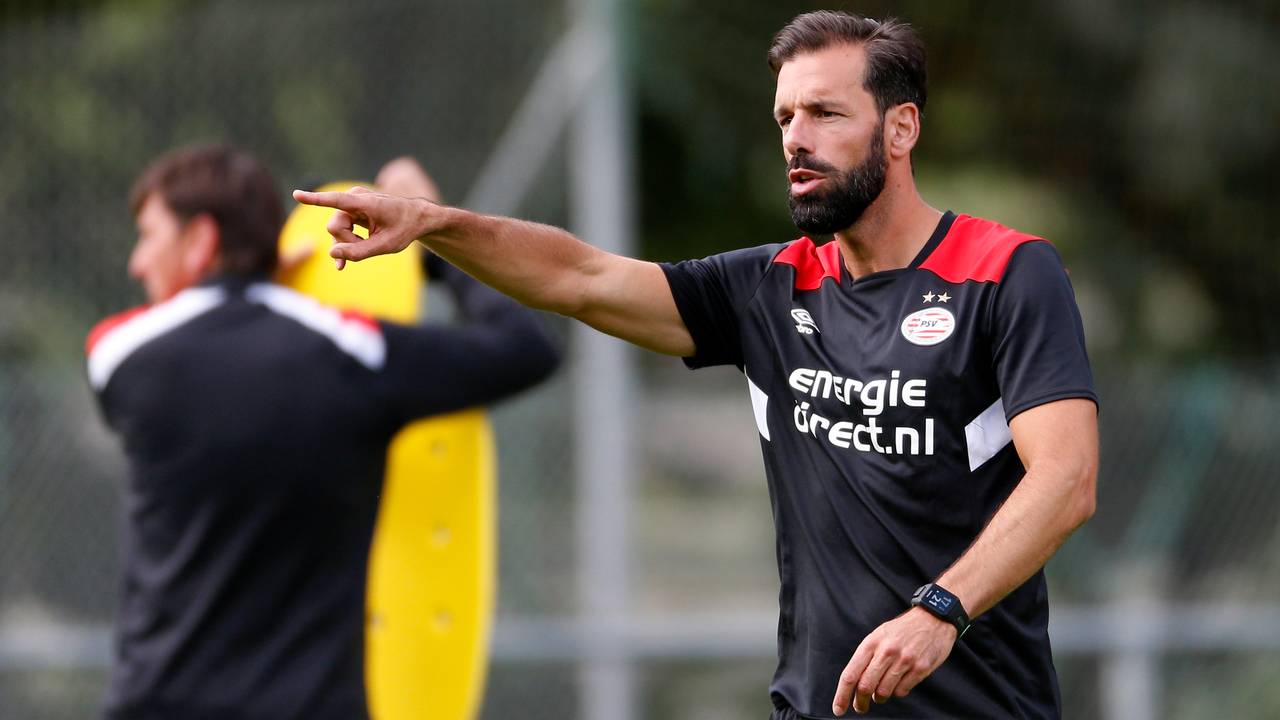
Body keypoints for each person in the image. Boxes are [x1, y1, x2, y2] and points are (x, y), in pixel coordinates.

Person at [296, 10, 1098, 719]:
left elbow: (1066, 479)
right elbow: (579, 277)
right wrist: (436, 224)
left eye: (825, 112)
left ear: (901, 128)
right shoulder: (770, 287)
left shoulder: (1005, 272)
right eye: (785, 116)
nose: (796, 138)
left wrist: (939, 611)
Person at [86, 145, 559, 720]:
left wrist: (268, 284)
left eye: (149, 235)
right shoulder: (350, 352)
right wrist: (429, 226)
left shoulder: (119, 355)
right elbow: (524, 349)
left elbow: (213, 343)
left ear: (201, 239)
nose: (138, 263)